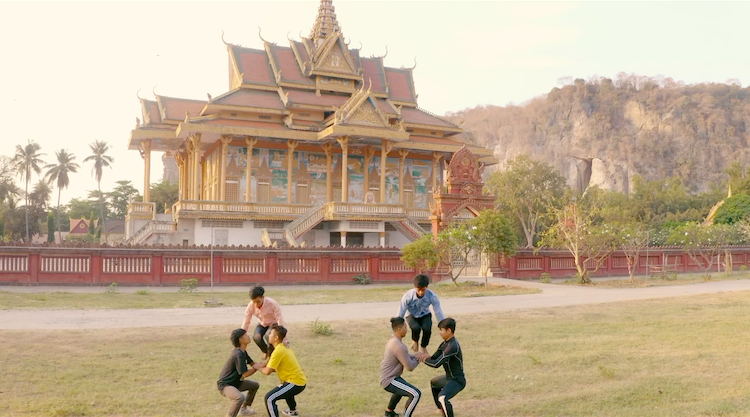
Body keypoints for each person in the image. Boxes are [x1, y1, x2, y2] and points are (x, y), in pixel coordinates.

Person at [257, 324, 307, 417]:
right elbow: (273, 368)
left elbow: (267, 371)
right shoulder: (283, 347)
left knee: (269, 398)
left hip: (295, 383)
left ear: (276, 338)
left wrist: (258, 367)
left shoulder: (278, 351)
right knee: (285, 389)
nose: (268, 335)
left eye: (270, 333)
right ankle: (293, 411)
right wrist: (264, 366)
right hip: (298, 381)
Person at [420, 318, 465, 417]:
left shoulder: (452, 346)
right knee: (434, 383)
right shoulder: (445, 344)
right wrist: (422, 356)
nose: (440, 333)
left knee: (442, 397)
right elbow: (434, 357)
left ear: (449, 331)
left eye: (442, 330)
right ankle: (441, 410)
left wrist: (423, 359)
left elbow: (436, 364)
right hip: (449, 378)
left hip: (457, 380)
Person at [380, 317, 424, 417]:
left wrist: (415, 355)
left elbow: (404, 356)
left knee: (401, 387)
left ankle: (389, 412)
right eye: (405, 327)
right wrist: (419, 358)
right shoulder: (399, 346)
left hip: (389, 377)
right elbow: (410, 367)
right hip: (389, 380)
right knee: (415, 394)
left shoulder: (392, 340)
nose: (407, 329)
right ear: (399, 329)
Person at [217, 328, 261, 417]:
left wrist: (266, 363)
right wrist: (257, 368)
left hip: (236, 382)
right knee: (239, 397)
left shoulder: (243, 351)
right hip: (226, 385)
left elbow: (253, 364)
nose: (248, 336)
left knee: (254, 385)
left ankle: (244, 409)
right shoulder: (238, 354)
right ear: (241, 339)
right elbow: (245, 374)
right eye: (245, 335)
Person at [397, 274, 445, 354]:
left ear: (427, 287)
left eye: (423, 290)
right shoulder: (407, 297)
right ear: (414, 287)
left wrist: (443, 325)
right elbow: (401, 312)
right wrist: (395, 329)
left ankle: (423, 347)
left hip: (425, 314)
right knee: (416, 328)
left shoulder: (432, 296)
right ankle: (415, 341)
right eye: (418, 290)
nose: (420, 292)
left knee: (427, 328)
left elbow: (438, 311)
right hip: (411, 315)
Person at [242, 286, 286, 359]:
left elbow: (280, 320)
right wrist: (242, 335)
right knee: (257, 337)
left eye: (258, 302)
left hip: (274, 323)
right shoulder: (250, 305)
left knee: (269, 336)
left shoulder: (272, 304)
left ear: (263, 297)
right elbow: (246, 320)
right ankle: (266, 351)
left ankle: (271, 356)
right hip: (262, 323)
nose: (256, 305)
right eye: (254, 302)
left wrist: (284, 339)